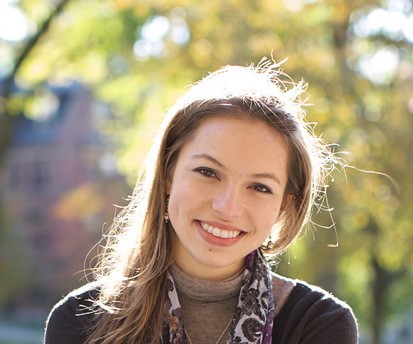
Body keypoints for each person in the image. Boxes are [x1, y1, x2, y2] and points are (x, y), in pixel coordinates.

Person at [44, 60, 358, 344]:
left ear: (285, 204)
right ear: (168, 173)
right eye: (207, 172)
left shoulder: (320, 325)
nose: (227, 207)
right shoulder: (78, 323)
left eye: (260, 187)